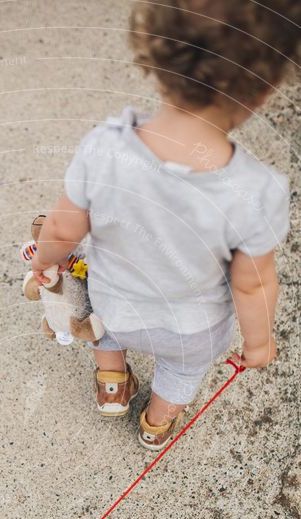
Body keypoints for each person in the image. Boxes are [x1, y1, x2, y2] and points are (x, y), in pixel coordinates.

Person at [31, 0, 298, 449]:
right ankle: (156, 424)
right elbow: (253, 285)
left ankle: (112, 382)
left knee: (106, 329)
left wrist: (44, 263)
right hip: (190, 329)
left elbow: (61, 230)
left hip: (116, 302)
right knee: (181, 371)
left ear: (153, 57)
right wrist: (258, 343)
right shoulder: (255, 193)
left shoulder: (103, 149)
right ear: (266, 90)